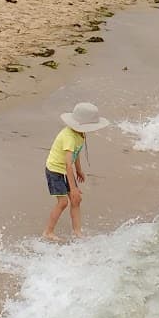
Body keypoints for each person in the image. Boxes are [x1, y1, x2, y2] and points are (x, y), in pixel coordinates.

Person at [43, 102, 109, 239]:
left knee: (76, 201)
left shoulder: (80, 134)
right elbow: (68, 165)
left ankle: (77, 231)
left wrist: (79, 170)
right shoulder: (69, 137)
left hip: (66, 170)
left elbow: (76, 153)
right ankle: (48, 232)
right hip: (55, 170)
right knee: (63, 202)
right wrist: (72, 189)